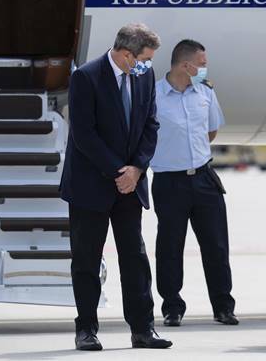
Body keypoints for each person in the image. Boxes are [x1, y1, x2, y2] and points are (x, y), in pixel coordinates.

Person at [60, 23, 172, 350]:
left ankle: (142, 329)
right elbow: (84, 134)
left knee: (134, 257)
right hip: (90, 185)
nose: (148, 65)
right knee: (87, 260)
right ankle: (86, 330)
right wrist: (117, 171)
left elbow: (151, 125)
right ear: (125, 55)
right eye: (145, 58)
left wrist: (136, 169)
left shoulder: (144, 75)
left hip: (130, 185)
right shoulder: (86, 77)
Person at [151, 39, 237, 327]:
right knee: (170, 246)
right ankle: (172, 306)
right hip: (168, 181)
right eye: (201, 64)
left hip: (203, 178)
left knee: (216, 245)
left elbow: (210, 131)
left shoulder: (206, 93)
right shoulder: (154, 95)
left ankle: (223, 306)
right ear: (185, 65)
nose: (204, 68)